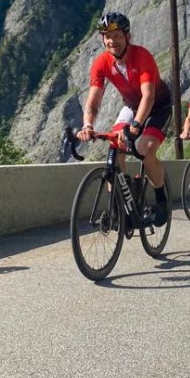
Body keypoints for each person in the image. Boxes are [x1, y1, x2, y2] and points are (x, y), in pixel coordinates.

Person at [76, 12, 172, 226]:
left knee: (145, 149)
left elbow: (148, 96)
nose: (112, 41)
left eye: (117, 35)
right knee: (115, 145)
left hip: (158, 107)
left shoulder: (142, 56)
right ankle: (120, 204)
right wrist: (88, 125)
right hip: (131, 106)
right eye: (107, 36)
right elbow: (93, 101)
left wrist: (136, 127)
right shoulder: (101, 63)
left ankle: (161, 200)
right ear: (102, 39)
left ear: (128, 36)